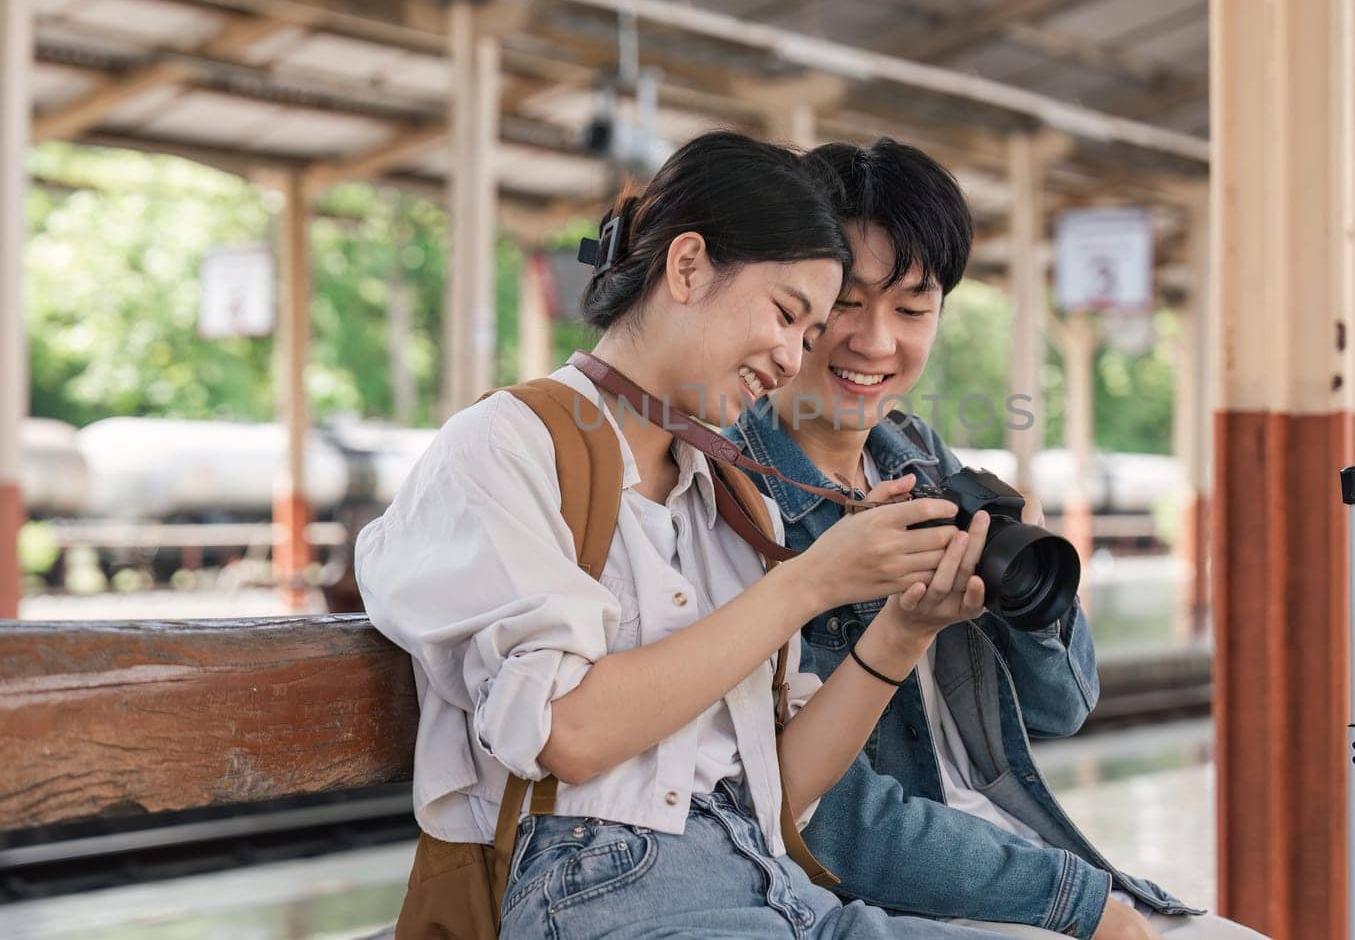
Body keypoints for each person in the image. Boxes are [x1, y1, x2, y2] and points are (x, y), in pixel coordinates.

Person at [356, 131, 1019, 939]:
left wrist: (904, 626)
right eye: (785, 314)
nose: (789, 357)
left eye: (808, 336)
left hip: (766, 883)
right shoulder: (505, 445)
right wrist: (808, 583)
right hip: (600, 892)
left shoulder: (735, 501)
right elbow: (571, 734)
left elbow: (785, 788)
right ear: (688, 266)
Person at [726, 138, 1265, 940]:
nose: (877, 343)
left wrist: (1023, 592)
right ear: (791, 298)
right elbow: (832, 821)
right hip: (863, 900)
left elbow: (1064, 704)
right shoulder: (735, 501)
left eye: (912, 308)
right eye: (847, 302)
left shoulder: (917, 456)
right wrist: (1089, 909)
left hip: (1005, 858)